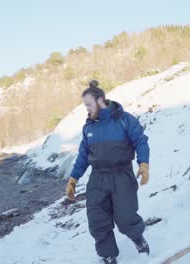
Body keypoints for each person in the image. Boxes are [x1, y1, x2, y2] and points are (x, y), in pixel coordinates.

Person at [65, 80, 150, 264]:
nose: (87, 109)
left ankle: (137, 238)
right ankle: (108, 255)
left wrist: (143, 164)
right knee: (97, 220)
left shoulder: (124, 120)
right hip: (98, 178)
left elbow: (141, 141)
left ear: (100, 100)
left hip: (122, 175)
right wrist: (73, 178)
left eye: (89, 104)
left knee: (126, 218)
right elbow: (83, 155)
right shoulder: (89, 127)